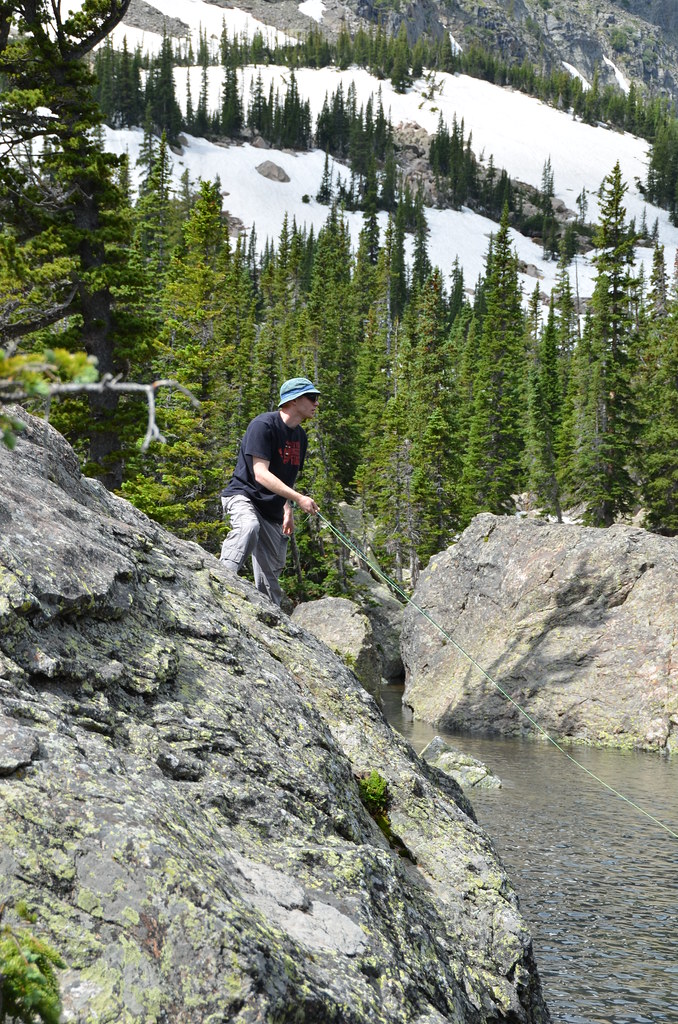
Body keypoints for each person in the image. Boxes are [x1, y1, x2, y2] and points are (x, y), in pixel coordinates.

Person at [219, 376, 320, 606]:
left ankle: (270, 620)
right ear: (293, 401)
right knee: (248, 527)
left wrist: (289, 508)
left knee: (271, 576)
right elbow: (261, 474)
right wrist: (299, 498)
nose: (316, 404)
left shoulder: (300, 437)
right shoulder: (263, 425)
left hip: (271, 510)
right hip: (243, 496)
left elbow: (286, 477)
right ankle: (221, 580)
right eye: (312, 397)